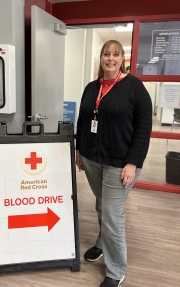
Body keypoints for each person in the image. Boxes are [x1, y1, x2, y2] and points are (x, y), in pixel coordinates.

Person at [76, 40, 152, 287]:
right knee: (102, 205)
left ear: (122, 59)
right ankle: (101, 243)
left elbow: (143, 128)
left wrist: (133, 162)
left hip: (121, 163)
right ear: (101, 58)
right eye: (106, 54)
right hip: (92, 159)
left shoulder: (134, 87)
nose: (110, 58)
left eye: (115, 54)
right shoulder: (91, 87)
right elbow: (83, 119)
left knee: (111, 212)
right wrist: (79, 150)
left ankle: (116, 269)